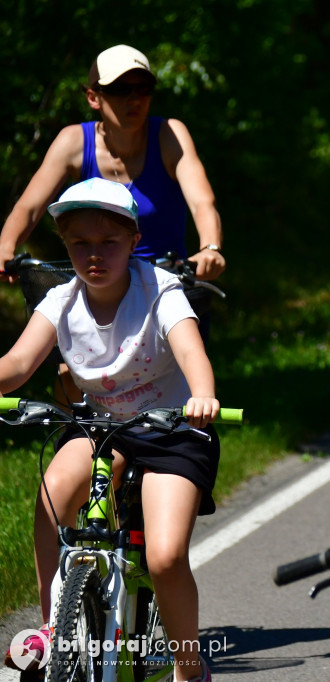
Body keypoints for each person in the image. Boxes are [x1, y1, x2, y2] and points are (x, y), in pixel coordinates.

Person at [0, 178, 221, 682]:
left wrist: (203, 395)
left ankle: (190, 669)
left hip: (172, 429)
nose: (94, 255)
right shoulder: (61, 300)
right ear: (63, 243)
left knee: (165, 558)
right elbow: (16, 363)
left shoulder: (159, 289)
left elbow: (192, 354)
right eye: (80, 244)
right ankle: (53, 626)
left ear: (133, 239)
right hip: (100, 425)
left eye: (109, 243)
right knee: (53, 494)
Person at [0, 44, 225, 282]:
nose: (135, 98)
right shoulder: (73, 142)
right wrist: (5, 246)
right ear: (93, 98)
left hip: (167, 286)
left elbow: (202, 203)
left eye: (143, 88)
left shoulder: (170, 136)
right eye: (120, 89)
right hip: (97, 287)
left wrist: (211, 249)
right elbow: (30, 208)